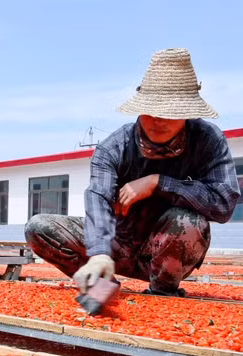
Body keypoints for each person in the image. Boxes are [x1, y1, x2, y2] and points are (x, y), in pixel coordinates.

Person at [25, 48, 240, 297]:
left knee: (188, 221)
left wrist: (159, 183)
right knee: (38, 227)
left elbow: (223, 204)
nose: (159, 120)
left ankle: (162, 292)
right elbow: (98, 200)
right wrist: (98, 253)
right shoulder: (113, 149)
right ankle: (102, 284)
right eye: (151, 110)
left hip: (169, 251)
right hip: (118, 244)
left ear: (187, 112)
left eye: (169, 112)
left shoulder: (207, 140)